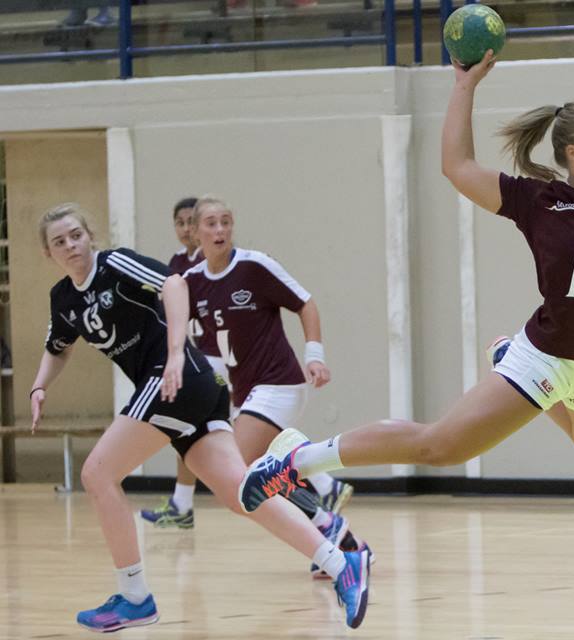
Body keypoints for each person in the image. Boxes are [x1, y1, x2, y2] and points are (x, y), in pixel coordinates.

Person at [238, 50, 574, 516]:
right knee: (439, 447)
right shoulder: (538, 201)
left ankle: (515, 363)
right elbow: (457, 166)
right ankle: (297, 461)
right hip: (548, 357)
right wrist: (464, 85)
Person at [30, 203, 370, 631]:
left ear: (89, 235)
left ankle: (134, 596)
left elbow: (174, 283)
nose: (71, 245)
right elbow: (57, 347)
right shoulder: (63, 298)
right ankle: (342, 563)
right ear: (49, 253)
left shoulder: (114, 264)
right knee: (240, 492)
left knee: (97, 473)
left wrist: (175, 352)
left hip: (176, 376)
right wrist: (39, 386)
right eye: (59, 241)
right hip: (194, 387)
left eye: (76, 235)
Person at [183, 195, 357, 578]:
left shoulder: (254, 266)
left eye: (226, 221)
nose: (220, 230)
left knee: (240, 472)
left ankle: (326, 516)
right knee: (255, 473)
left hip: (280, 383)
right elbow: (200, 342)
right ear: (195, 232)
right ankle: (339, 534)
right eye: (211, 223)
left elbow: (306, 303)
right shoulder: (191, 283)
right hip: (244, 393)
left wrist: (315, 355)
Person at [140, 197, 207, 529]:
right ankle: (182, 504)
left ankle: (321, 484)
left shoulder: (213, 259)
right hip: (194, 357)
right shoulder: (176, 262)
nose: (186, 229)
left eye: (191, 221)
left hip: (220, 360)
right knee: (187, 430)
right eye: (180, 223)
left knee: (251, 435)